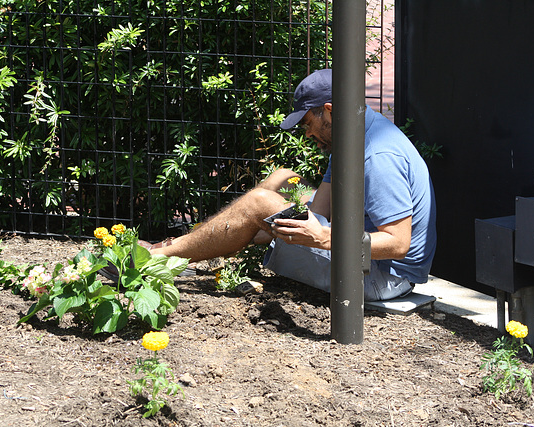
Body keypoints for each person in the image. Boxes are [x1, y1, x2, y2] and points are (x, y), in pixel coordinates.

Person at [144, 69, 436, 301]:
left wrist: (321, 237)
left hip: (382, 278)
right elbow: (319, 209)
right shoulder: (353, 135)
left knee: (259, 203)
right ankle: (191, 248)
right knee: (282, 178)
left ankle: (157, 258)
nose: (307, 133)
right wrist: (266, 224)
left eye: (308, 123)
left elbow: (398, 244)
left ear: (330, 110)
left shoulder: (378, 155)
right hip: (362, 257)